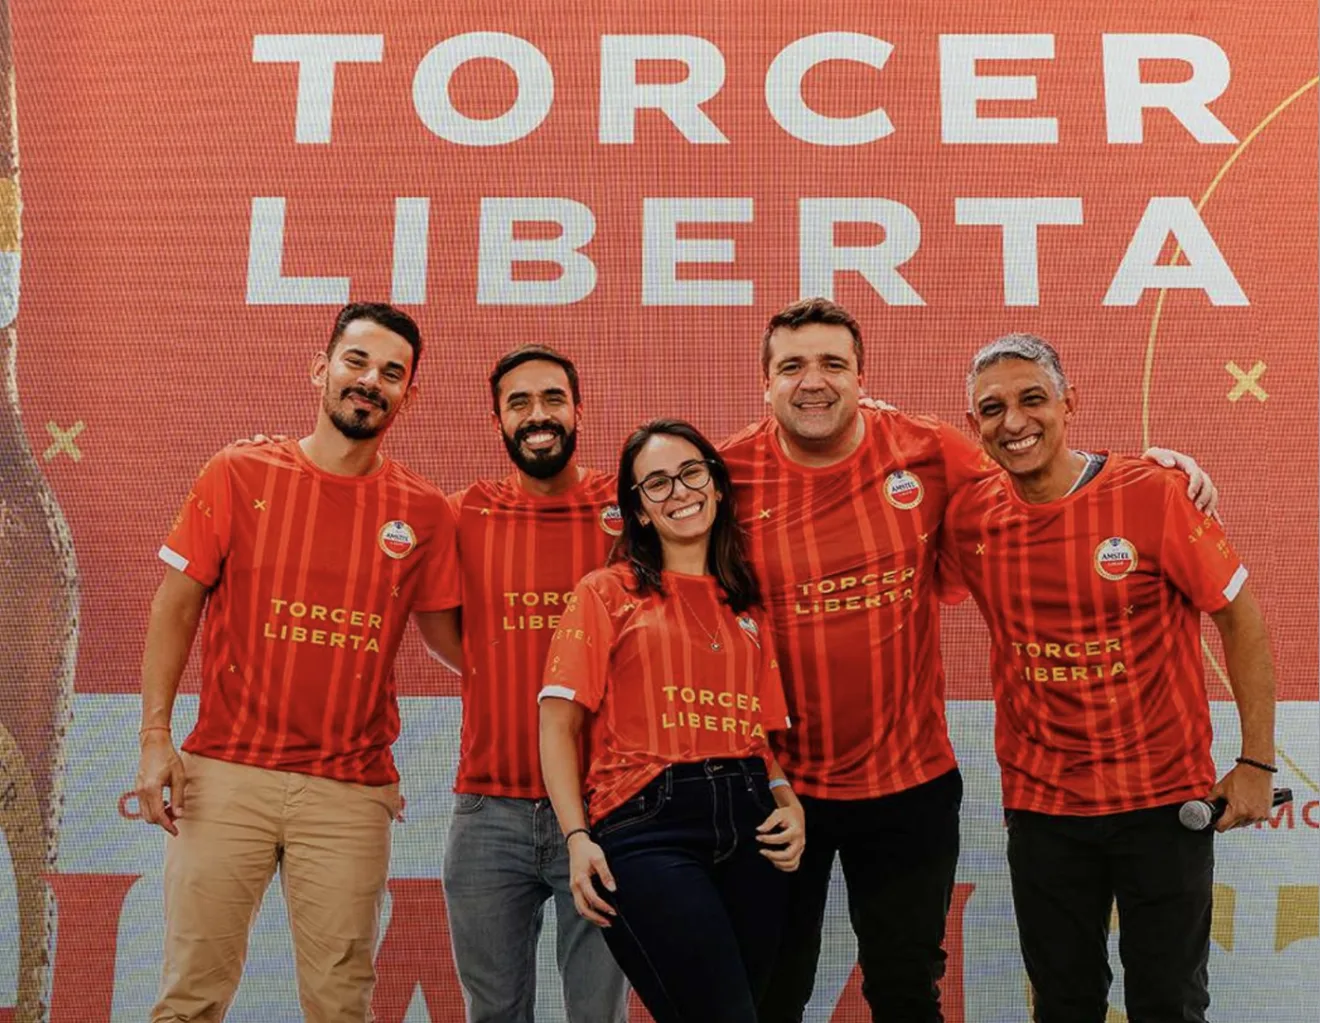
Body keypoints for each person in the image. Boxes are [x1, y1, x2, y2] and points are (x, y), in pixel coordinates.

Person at [716, 297, 1220, 1023]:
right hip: (776, 789)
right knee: (772, 991)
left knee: (905, 991)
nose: (813, 381)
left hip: (907, 787)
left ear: (863, 378)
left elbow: (1042, 461)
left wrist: (1163, 468)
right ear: (765, 384)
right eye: (791, 365)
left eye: (833, 363)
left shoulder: (927, 448)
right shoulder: (724, 473)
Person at [134, 303, 463, 1022]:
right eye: (356, 361)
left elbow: (451, 642)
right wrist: (155, 736)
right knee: (190, 994)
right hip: (224, 773)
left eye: (391, 372)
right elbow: (174, 606)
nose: (370, 380)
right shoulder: (237, 470)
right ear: (320, 368)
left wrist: (545, 671)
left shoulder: (425, 512)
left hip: (349, 792)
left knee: (342, 1003)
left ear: (410, 394)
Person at [939, 333, 1276, 1023]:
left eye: (1033, 399)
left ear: (1070, 403)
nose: (1015, 421)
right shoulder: (970, 516)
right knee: (1063, 1005)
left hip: (1162, 802)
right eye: (992, 408)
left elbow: (1240, 620)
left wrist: (1257, 761)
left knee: (1169, 1003)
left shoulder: (1152, 492)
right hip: (1044, 808)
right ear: (974, 426)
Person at [539, 419, 805, 1023]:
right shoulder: (606, 592)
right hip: (645, 825)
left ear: (715, 484)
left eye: (690, 473)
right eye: (655, 484)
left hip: (752, 824)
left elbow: (758, 738)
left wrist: (789, 802)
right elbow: (557, 726)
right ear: (637, 511)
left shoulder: (747, 608)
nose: (679, 491)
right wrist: (577, 840)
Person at [442, 344, 628, 1022]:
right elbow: (447, 632)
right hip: (489, 811)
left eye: (552, 398)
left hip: (607, 807)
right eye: (518, 403)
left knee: (596, 1014)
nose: (537, 415)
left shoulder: (628, 506)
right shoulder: (463, 512)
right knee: (493, 1013)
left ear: (578, 410)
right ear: (498, 420)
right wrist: (494, 664)